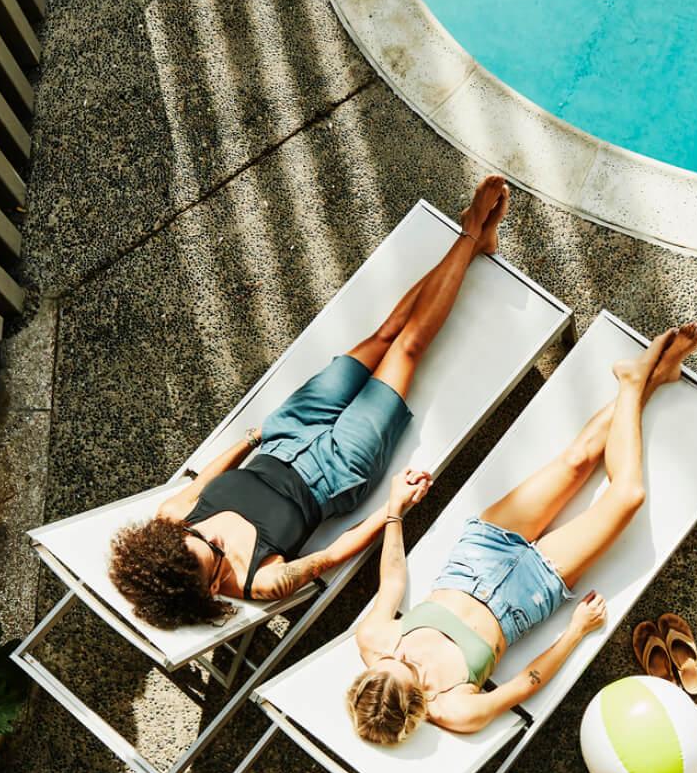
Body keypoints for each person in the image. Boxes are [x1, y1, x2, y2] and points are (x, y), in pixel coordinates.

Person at [108, 177, 512, 629]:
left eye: (201, 540)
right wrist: (395, 507)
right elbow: (334, 552)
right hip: (339, 469)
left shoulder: (173, 519)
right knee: (407, 348)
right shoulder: (260, 581)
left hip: (286, 433)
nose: (215, 538)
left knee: (385, 334)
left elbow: (206, 479)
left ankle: (474, 243)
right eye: (214, 554)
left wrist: (253, 437)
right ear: (208, 587)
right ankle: (471, 231)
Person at [347, 322, 697, 741]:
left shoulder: (373, 640)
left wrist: (394, 512)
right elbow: (525, 683)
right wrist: (576, 631)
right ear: (417, 705)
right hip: (532, 590)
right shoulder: (456, 709)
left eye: (395, 659)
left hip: (479, 554)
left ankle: (648, 379)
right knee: (628, 496)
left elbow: (392, 582)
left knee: (576, 460)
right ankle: (638, 380)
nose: (407, 656)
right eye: (411, 669)